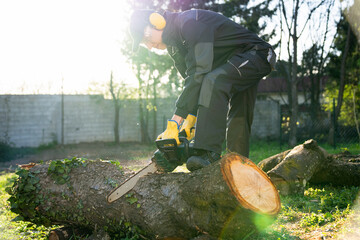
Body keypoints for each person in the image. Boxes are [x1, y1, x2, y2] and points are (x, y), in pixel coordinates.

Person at [129, 9, 276, 171]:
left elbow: (199, 72)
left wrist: (175, 123)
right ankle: (238, 168)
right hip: (232, 63)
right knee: (239, 116)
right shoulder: (175, 48)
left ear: (157, 22)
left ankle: (208, 152)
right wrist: (189, 121)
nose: (149, 47)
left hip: (257, 53)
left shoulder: (190, 23)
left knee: (215, 80)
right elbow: (192, 85)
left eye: (147, 38)